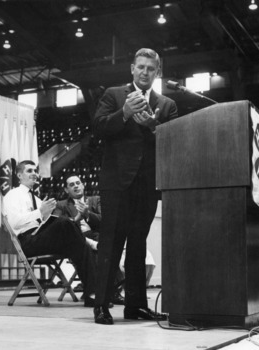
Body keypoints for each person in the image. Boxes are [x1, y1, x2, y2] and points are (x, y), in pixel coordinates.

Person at [92, 48, 178, 324]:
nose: (144, 72)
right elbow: (99, 128)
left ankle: (136, 306)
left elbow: (173, 143)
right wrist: (125, 112)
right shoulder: (114, 95)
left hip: (147, 185)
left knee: (138, 245)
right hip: (116, 184)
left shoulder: (166, 105)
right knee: (111, 244)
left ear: (157, 72)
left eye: (150, 69)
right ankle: (102, 306)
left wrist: (154, 126)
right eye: (140, 67)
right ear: (132, 68)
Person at [3, 160, 97, 308]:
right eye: (29, 171)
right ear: (19, 175)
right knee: (66, 224)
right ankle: (90, 243)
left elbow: (48, 223)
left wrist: (47, 215)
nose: (34, 173)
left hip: (42, 238)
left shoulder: (39, 199)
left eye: (35, 170)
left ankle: (92, 294)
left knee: (78, 246)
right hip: (28, 242)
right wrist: (40, 212)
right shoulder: (12, 195)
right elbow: (14, 223)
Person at [53, 174, 124, 305]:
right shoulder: (61, 205)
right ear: (66, 190)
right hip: (76, 238)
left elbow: (106, 220)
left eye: (77, 183)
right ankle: (108, 292)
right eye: (71, 184)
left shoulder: (96, 200)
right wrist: (76, 219)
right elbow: (57, 226)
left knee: (105, 247)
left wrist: (87, 214)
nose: (75, 186)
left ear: (83, 185)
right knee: (96, 250)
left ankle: (98, 292)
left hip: (96, 236)